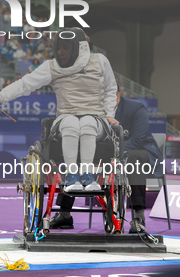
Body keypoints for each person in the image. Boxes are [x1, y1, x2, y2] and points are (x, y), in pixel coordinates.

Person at [0, 28, 117, 193]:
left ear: (78, 47)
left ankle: (87, 174)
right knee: (71, 122)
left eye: (66, 48)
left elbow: (111, 89)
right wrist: (0, 96)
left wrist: (110, 114)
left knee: (87, 122)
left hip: (97, 120)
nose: (61, 52)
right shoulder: (51, 66)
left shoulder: (100, 61)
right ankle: (71, 175)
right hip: (65, 119)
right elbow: (25, 84)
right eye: (59, 47)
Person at [50, 82, 163, 233]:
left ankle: (138, 217)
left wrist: (112, 151)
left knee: (136, 157)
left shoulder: (136, 108)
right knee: (79, 152)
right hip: (105, 152)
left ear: (116, 96)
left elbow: (138, 140)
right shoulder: (93, 111)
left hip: (136, 151)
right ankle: (64, 213)